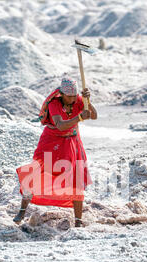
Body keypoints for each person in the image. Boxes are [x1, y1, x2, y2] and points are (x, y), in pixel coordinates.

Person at [13, 77, 97, 227]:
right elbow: (60, 125)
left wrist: (88, 102)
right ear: (62, 94)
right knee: (36, 172)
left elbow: (94, 116)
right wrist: (78, 117)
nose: (72, 99)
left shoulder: (78, 100)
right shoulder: (54, 104)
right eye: (69, 96)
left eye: (74, 96)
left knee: (75, 178)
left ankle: (78, 221)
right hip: (51, 142)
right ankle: (22, 209)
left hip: (71, 143)